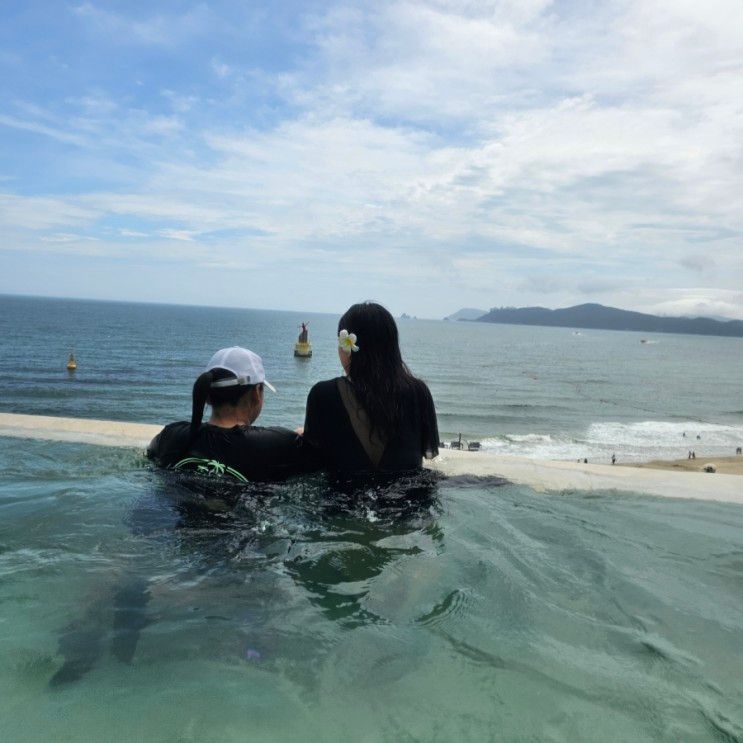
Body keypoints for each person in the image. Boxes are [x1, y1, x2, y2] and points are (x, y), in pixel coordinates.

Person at [303, 302, 439, 475]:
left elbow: (312, 457)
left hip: (345, 500)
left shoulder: (323, 394)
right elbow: (420, 452)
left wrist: (305, 432)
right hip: (406, 499)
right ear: (392, 347)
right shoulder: (418, 392)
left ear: (348, 347)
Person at [148, 346, 317, 481]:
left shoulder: (171, 435)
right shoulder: (276, 444)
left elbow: (151, 453)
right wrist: (298, 438)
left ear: (207, 396)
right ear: (256, 393)